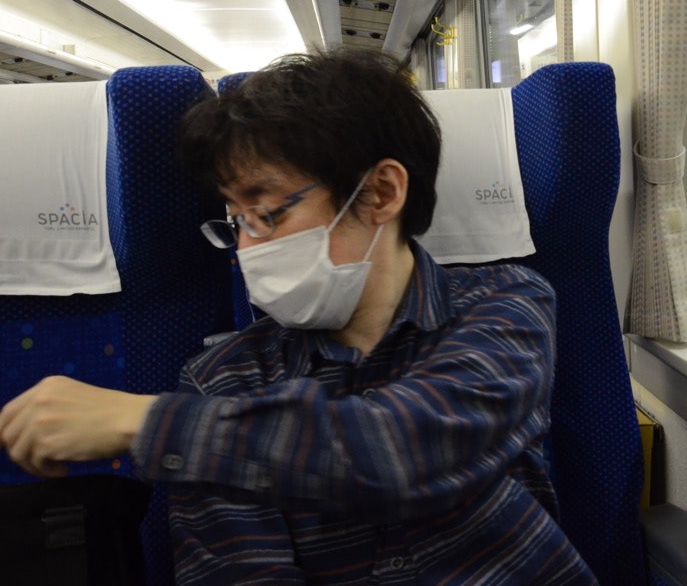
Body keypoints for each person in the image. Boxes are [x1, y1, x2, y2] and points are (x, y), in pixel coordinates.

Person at [0, 49, 597, 585]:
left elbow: (409, 447)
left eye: (267, 214)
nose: (246, 251)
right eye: (235, 221)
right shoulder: (223, 379)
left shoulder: (503, 303)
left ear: (382, 193)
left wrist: (147, 422)